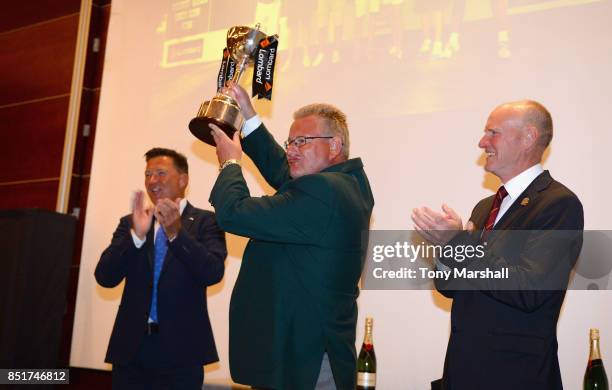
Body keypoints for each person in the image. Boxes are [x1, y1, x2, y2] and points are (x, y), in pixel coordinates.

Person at [208, 81, 374, 390]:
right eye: (290, 142)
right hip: (306, 354)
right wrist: (248, 115)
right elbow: (284, 173)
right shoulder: (352, 185)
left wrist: (230, 163)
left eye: (301, 142)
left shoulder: (324, 192)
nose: (290, 151)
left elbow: (234, 212)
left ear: (334, 146)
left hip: (303, 361)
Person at [412, 100, 583, 390]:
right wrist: (444, 246)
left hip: (515, 377)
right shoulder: (484, 207)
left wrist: (459, 243)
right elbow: (449, 287)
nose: (482, 142)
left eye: (493, 133)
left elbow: (528, 288)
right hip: (463, 372)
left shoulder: (557, 204)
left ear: (528, 137)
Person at [95, 148, 227, 390]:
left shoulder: (206, 222)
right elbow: (104, 277)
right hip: (131, 350)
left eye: (160, 173)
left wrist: (176, 232)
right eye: (148, 174)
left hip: (182, 352)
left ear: (183, 179)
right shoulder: (132, 222)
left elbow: (212, 272)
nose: (152, 181)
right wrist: (135, 236)